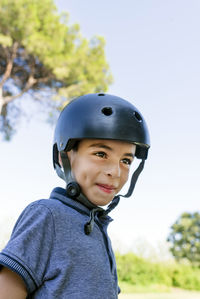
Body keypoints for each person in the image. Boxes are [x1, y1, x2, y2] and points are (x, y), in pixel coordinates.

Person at [0, 93, 150, 298]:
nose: (115, 172)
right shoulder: (47, 216)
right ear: (64, 157)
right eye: (100, 154)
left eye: (126, 161)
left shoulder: (98, 227)